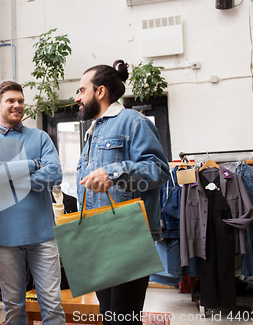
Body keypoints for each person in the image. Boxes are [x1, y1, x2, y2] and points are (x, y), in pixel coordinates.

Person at [75, 61, 170, 324]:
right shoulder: (93, 131)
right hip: (97, 235)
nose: (77, 97)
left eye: (82, 90)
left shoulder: (133, 121)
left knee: (123, 319)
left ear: (101, 91)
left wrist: (113, 172)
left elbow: (159, 170)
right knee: (110, 317)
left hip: (128, 236)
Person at [0, 81, 65, 325]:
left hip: (43, 235)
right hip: (5, 237)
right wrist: (35, 165)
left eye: (21, 101)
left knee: (52, 304)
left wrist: (6, 175)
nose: (17, 105)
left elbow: (55, 175)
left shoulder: (40, 137)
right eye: (11, 101)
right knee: (13, 306)